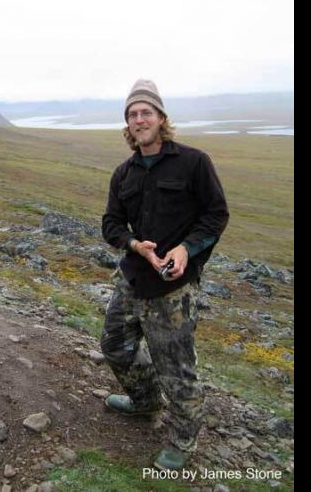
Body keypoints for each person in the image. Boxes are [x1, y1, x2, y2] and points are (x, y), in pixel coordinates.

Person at [100, 78, 230, 470]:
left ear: (160, 118)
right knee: (114, 345)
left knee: (177, 370)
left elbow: (216, 214)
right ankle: (145, 402)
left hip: (173, 290)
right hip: (132, 279)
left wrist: (186, 249)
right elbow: (111, 223)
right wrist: (133, 244)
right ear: (128, 125)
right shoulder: (124, 173)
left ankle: (183, 440)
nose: (139, 119)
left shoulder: (194, 162)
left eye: (146, 112)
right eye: (132, 114)